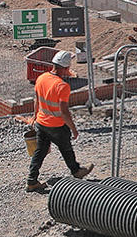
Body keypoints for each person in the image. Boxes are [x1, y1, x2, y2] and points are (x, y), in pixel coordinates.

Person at [28, 50, 92, 192]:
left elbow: (36, 100)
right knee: (66, 149)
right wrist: (74, 129)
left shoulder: (42, 78)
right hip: (56, 125)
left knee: (40, 151)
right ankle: (76, 171)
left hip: (41, 123)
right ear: (66, 68)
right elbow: (64, 112)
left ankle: (32, 181)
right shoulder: (62, 86)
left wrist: (34, 116)